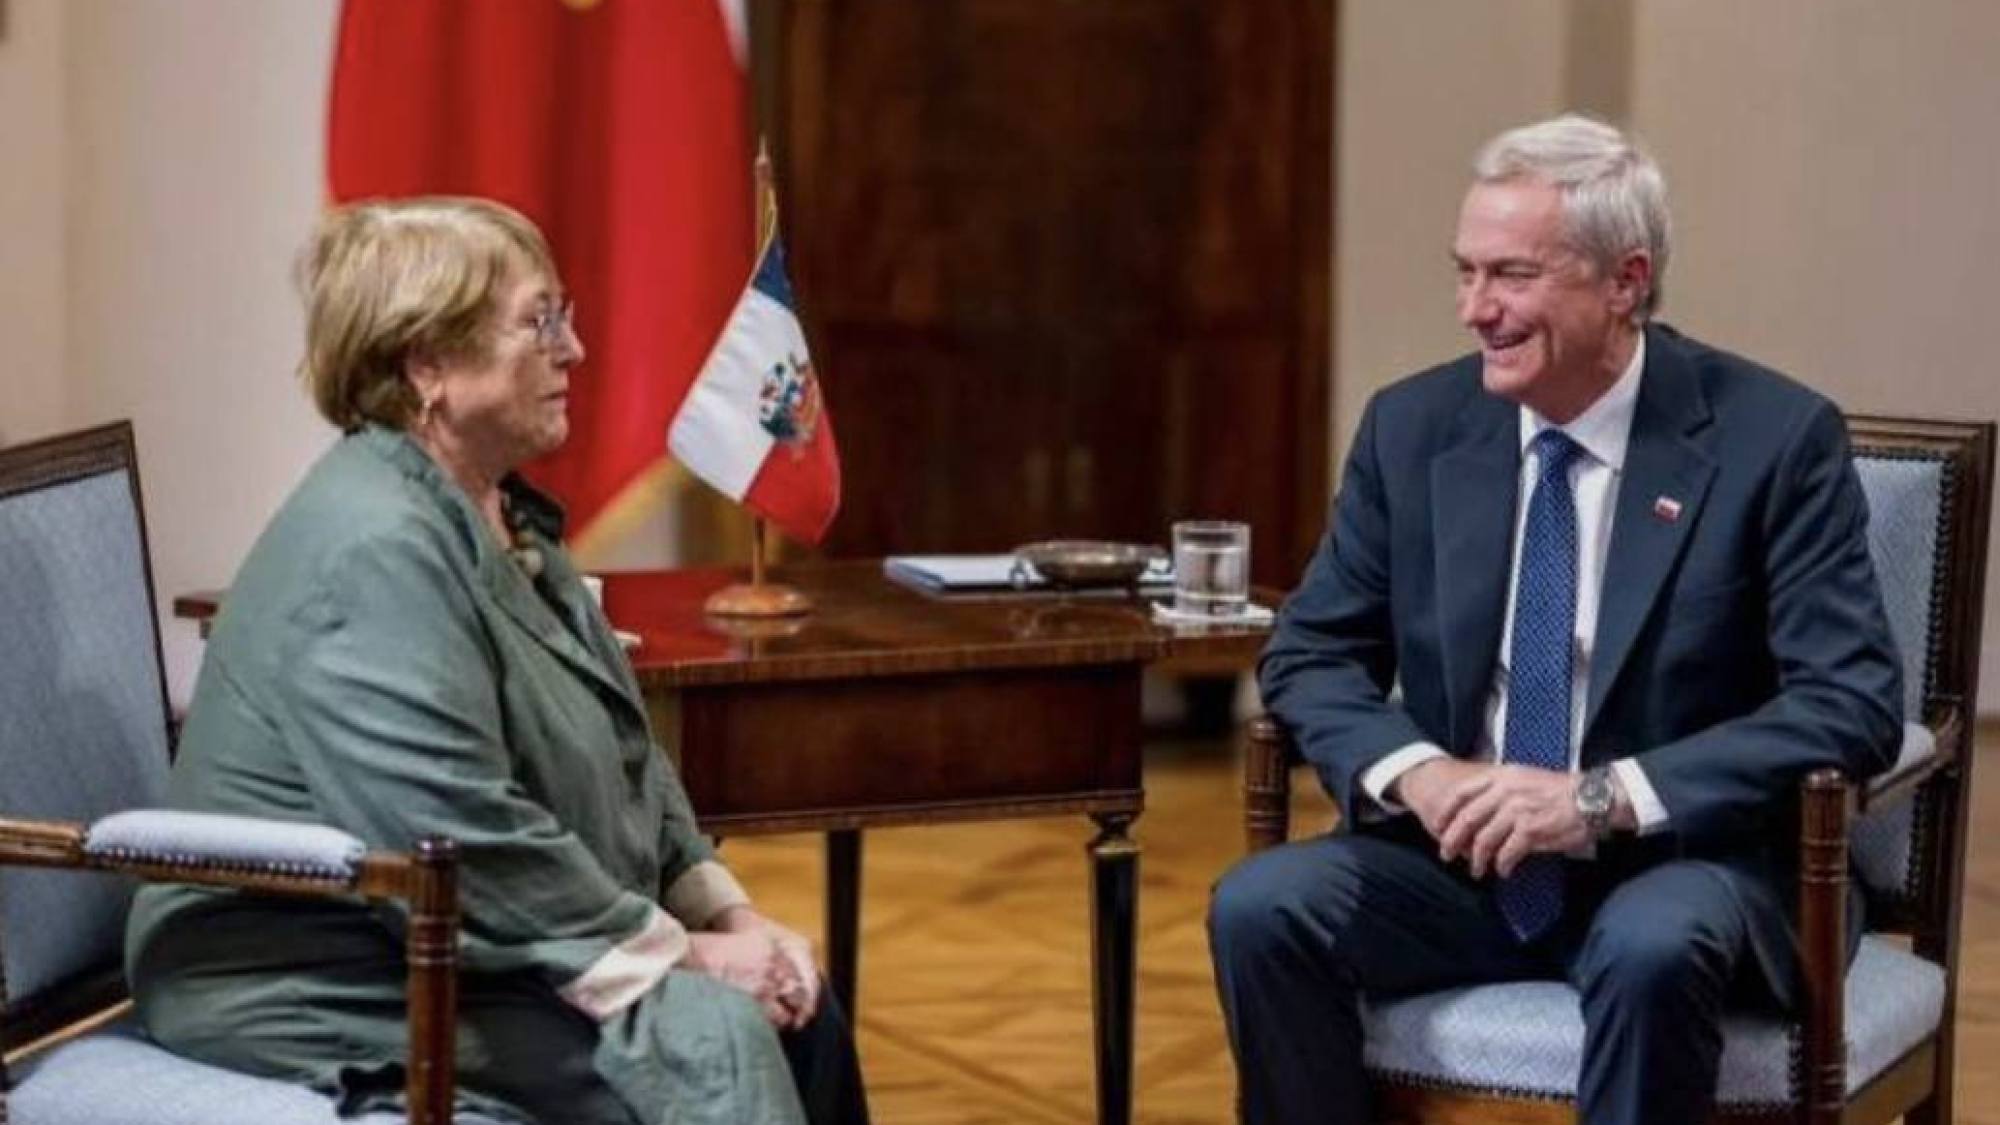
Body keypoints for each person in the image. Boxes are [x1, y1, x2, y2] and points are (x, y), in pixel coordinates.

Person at [1207, 115, 1902, 1125]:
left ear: (1625, 281)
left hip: (1683, 863)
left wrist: (1598, 799)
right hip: (1461, 865)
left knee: (1651, 943)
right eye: (1464, 273)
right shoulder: (1413, 427)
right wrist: (1422, 774)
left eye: (1511, 276)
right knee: (1262, 907)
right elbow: (1310, 650)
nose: (1473, 310)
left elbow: (1850, 702)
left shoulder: (1774, 439)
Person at [126, 197, 870, 1125]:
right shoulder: (372, 548)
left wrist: (730, 916)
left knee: (805, 1007)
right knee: (711, 1039)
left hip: (442, 934)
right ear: (427, 365)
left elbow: (627, 750)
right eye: (540, 321)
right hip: (300, 968)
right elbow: (453, 825)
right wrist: (683, 956)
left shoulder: (498, 513)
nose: (575, 350)